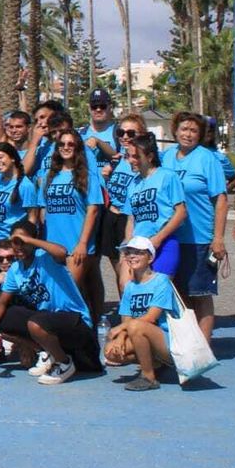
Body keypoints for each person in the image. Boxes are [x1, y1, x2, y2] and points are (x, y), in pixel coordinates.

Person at [0, 220, 98, 385]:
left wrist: (28, 239)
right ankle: (48, 351)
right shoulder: (15, 270)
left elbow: (62, 251)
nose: (19, 246)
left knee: (36, 324)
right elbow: (1, 302)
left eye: (23, 242)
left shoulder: (45, 258)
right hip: (47, 318)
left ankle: (64, 363)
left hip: (75, 320)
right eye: (15, 242)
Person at [161, 111, 229, 340]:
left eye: (193, 131)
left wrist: (218, 238)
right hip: (171, 238)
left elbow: (220, 199)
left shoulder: (207, 158)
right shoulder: (166, 157)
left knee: (200, 294)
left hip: (200, 237)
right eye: (184, 129)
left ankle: (204, 348)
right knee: (179, 295)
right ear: (175, 131)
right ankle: (186, 344)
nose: (188, 134)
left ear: (200, 135)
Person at [37, 129, 105, 323]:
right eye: (62, 144)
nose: (66, 148)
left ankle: (87, 336)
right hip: (53, 246)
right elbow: (43, 212)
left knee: (68, 294)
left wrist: (83, 243)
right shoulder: (50, 177)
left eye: (71, 144)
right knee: (56, 296)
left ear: (77, 148)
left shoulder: (87, 176)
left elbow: (93, 210)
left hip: (76, 246)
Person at [106, 235, 182, 391]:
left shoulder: (161, 281)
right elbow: (126, 318)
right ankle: (155, 363)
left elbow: (151, 317)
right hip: (143, 334)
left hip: (171, 341)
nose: (132, 256)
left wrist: (120, 329)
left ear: (150, 258)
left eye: (139, 252)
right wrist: (120, 337)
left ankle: (148, 377)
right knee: (111, 352)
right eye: (128, 252)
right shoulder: (129, 287)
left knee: (136, 326)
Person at [91, 114, 144, 319]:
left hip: (128, 219)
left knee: (130, 273)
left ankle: (136, 318)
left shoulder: (141, 159)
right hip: (111, 218)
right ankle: (127, 314)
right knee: (118, 273)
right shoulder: (120, 158)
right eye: (121, 132)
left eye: (131, 133)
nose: (125, 136)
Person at [123, 132, 187, 278]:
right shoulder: (133, 183)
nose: (131, 160)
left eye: (136, 156)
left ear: (150, 157)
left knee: (158, 288)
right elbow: (131, 219)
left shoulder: (167, 176)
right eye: (129, 156)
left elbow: (181, 212)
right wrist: (129, 245)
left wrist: (158, 239)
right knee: (132, 288)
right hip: (138, 247)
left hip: (164, 243)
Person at [0, 142, 40, 246]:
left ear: (12, 158)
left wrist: (25, 241)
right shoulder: (0, 180)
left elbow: (32, 217)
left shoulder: (25, 185)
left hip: (13, 242)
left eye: (1, 157)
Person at [81, 89, 120, 162]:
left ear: (110, 108)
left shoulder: (120, 132)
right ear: (89, 108)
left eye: (103, 106)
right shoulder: (81, 134)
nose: (98, 109)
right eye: (94, 106)